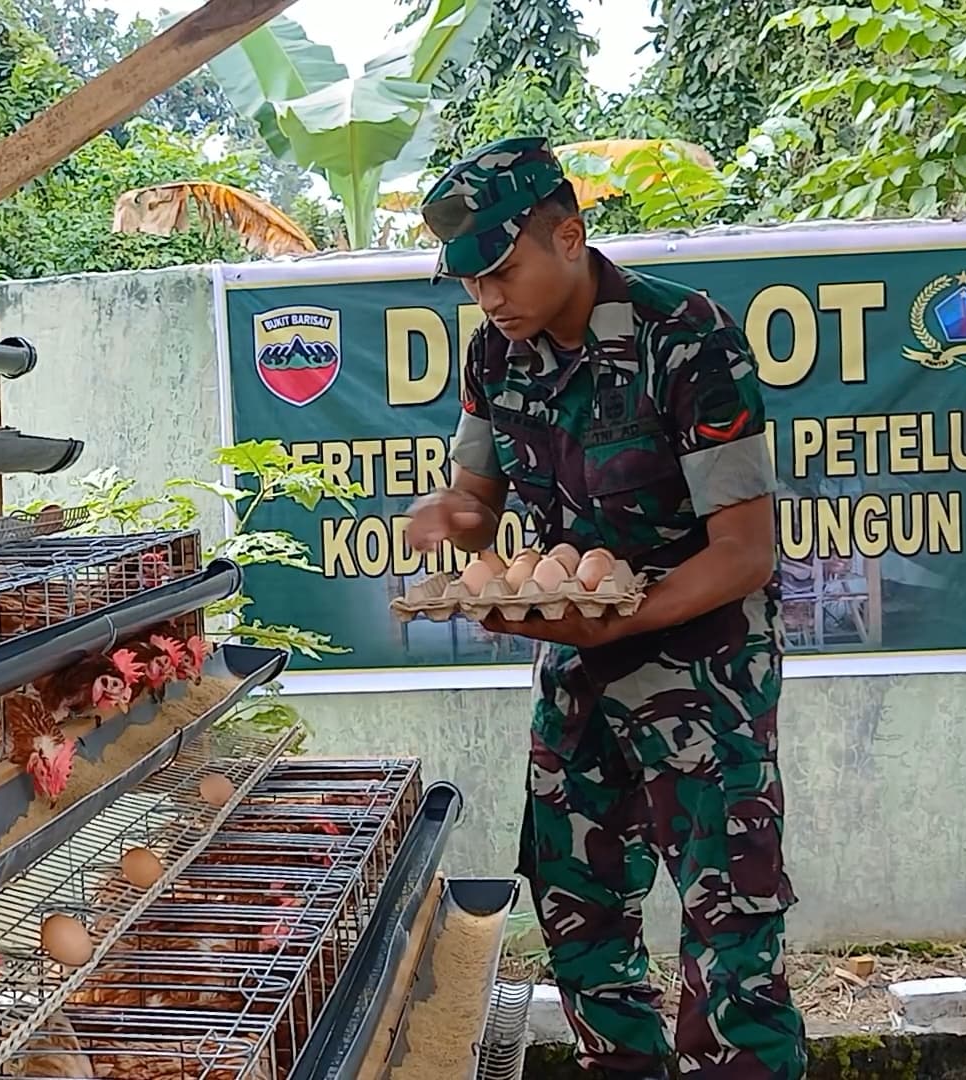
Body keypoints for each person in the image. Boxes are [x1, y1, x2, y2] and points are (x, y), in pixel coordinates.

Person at [404, 136, 805, 1080]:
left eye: (501, 270)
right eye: (469, 283)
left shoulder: (686, 336)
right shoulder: (494, 357)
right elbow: (478, 503)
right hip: (577, 671)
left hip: (706, 680)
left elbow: (745, 553)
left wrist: (624, 614)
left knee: (731, 925)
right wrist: (450, 519)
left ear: (570, 237)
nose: (487, 298)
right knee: (576, 907)